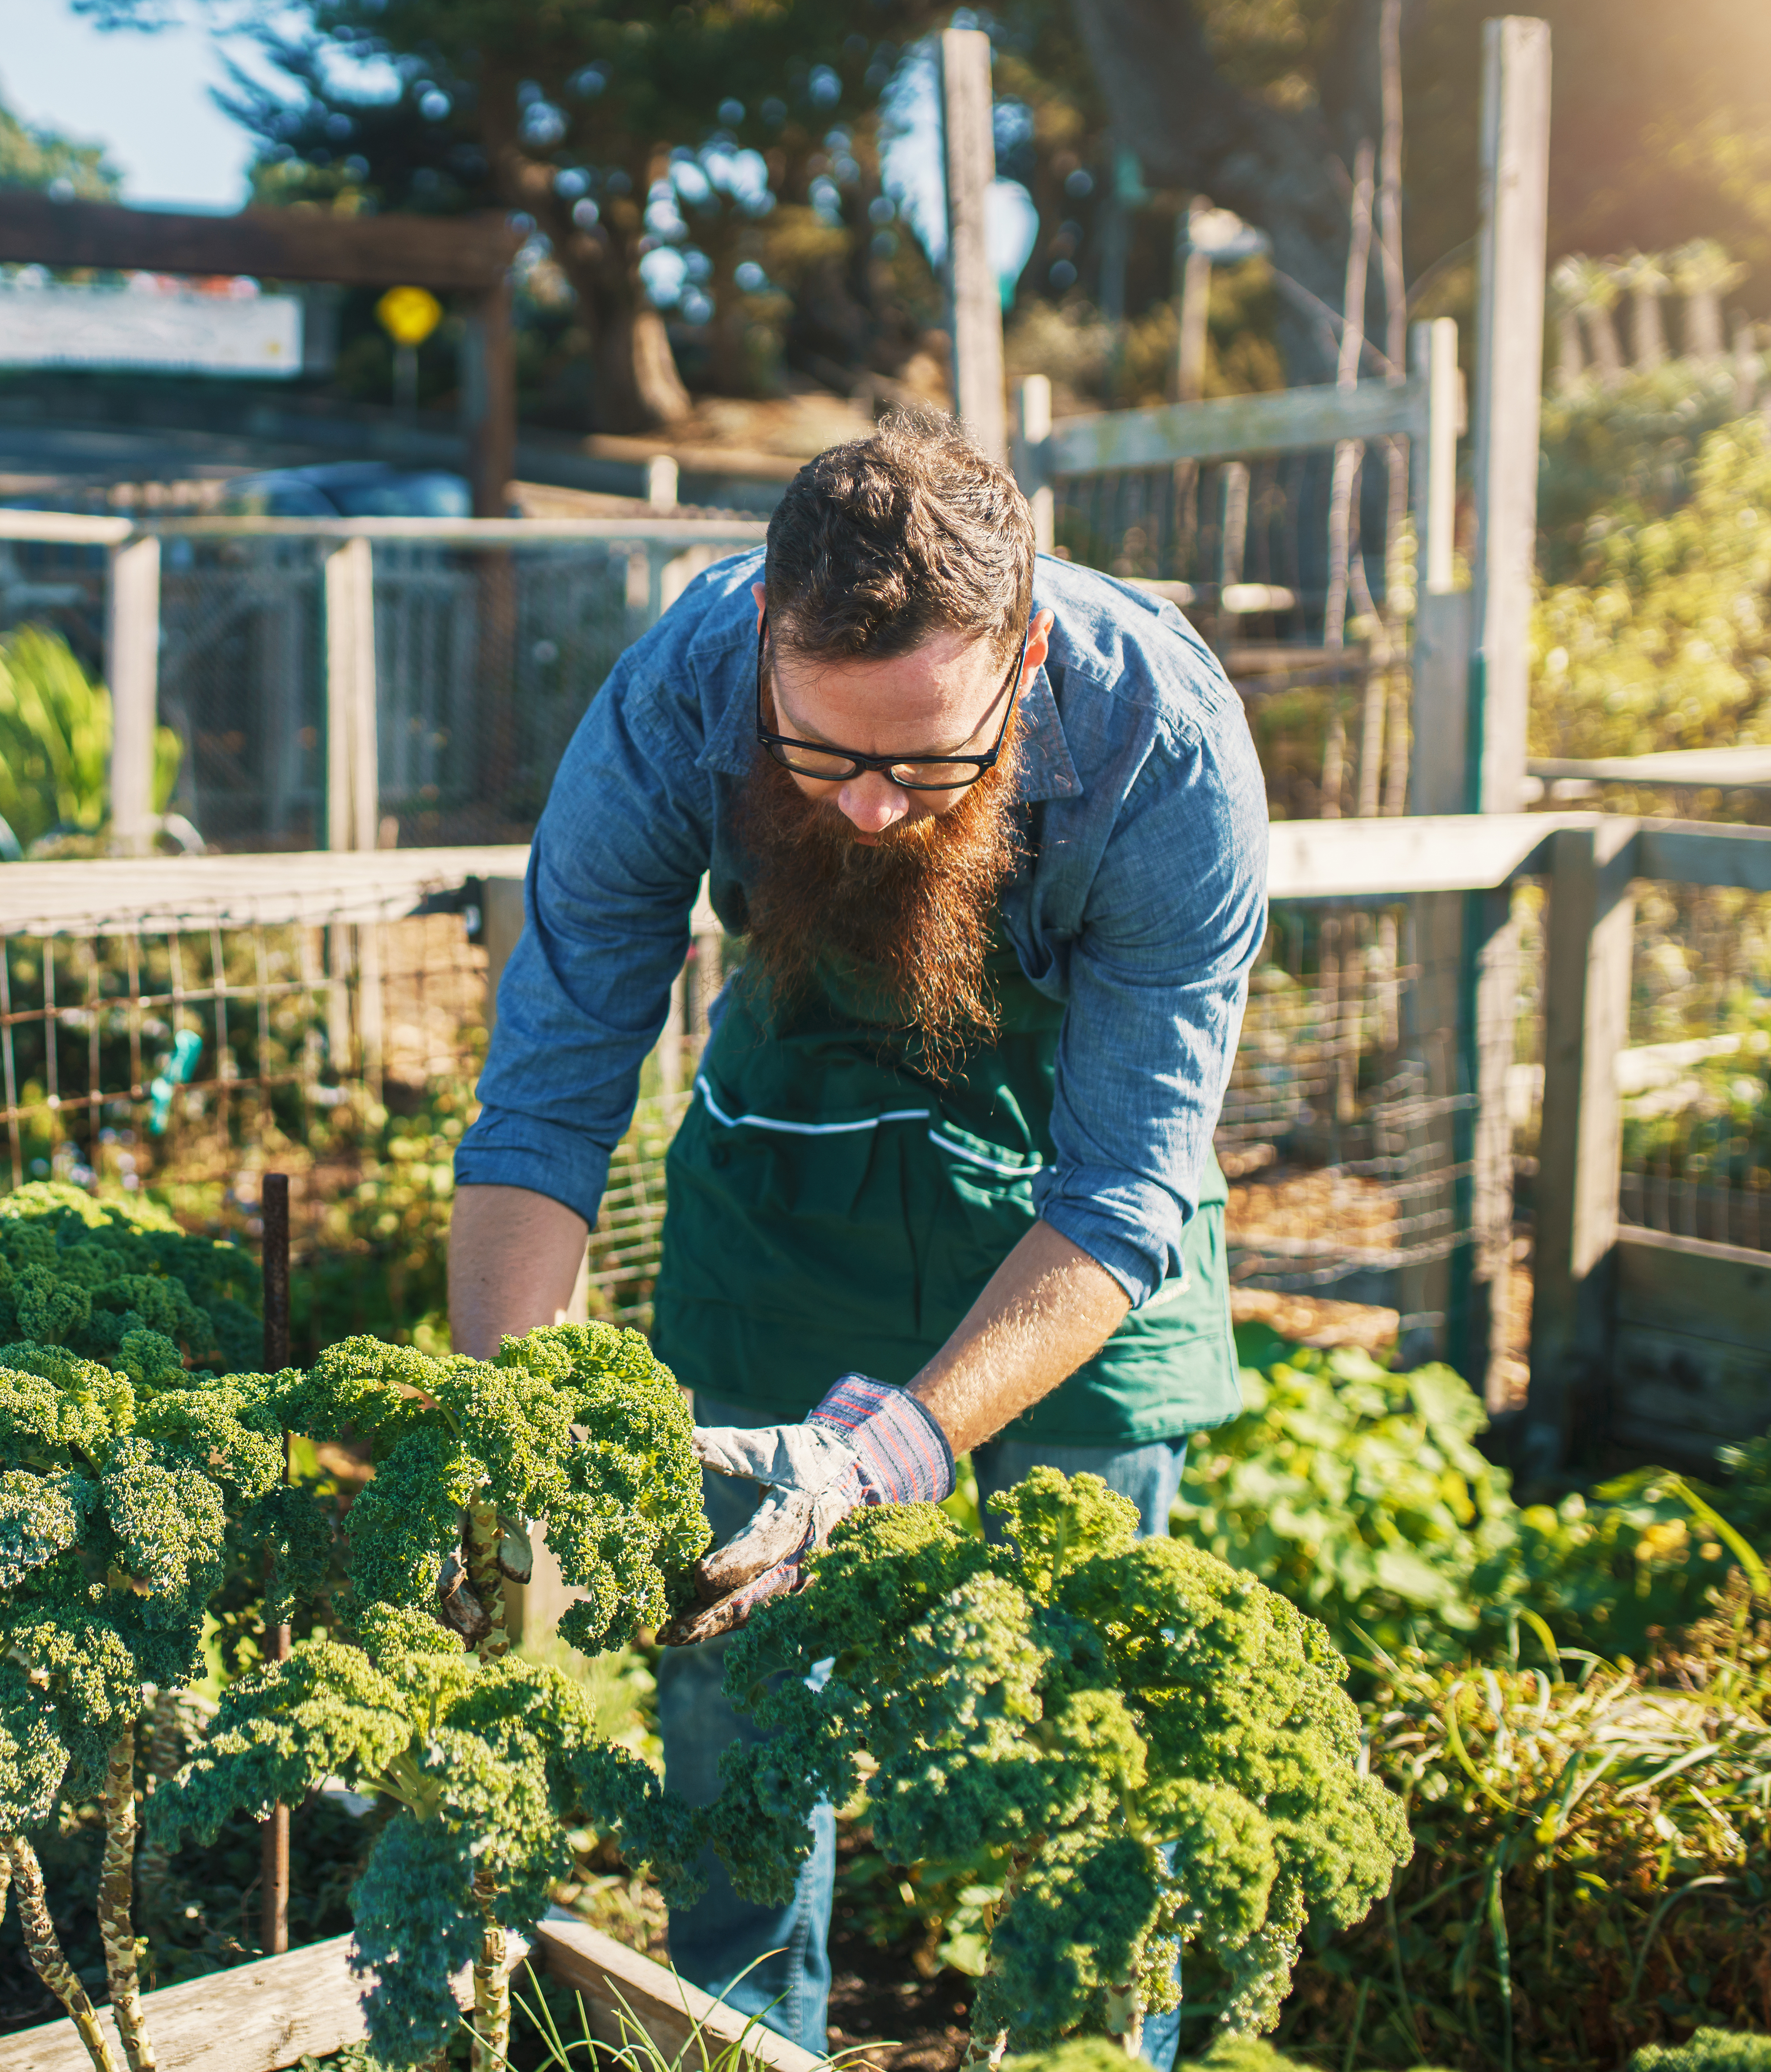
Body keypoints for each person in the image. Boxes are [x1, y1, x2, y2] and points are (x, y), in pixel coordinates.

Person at [447, 409, 1269, 2062]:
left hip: (1062, 1230)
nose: (880, 807)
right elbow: (545, 1102)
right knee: (741, 1732)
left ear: (1023, 658)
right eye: (826, 756)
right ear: (765, 640)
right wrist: (508, 1421)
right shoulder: (680, 696)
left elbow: (1122, 1194)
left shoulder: (1164, 748)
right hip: (788, 1185)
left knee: (1093, 1746)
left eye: (931, 760)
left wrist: (887, 1453)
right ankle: (750, 2040)